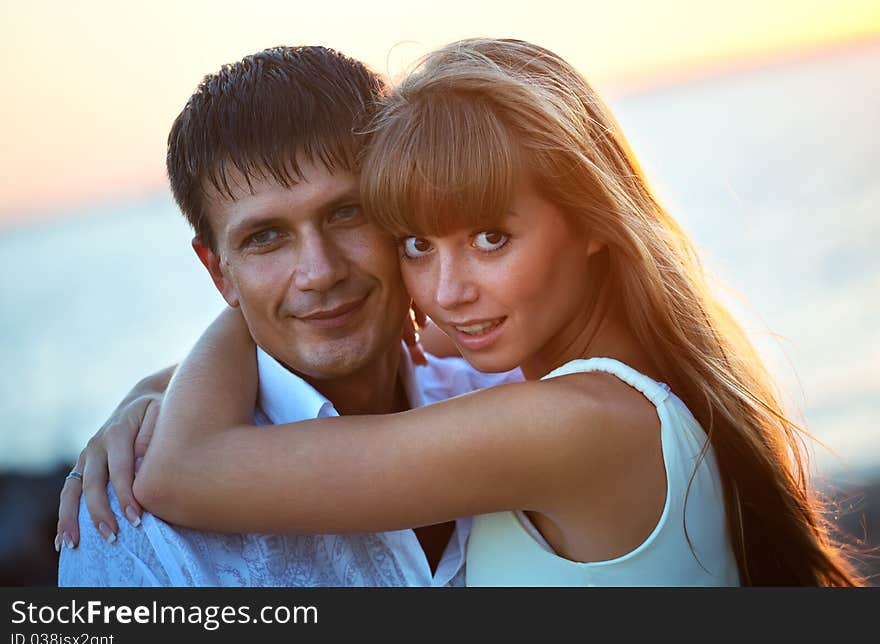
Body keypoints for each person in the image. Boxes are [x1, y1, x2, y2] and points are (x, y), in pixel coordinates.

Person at [66, 38, 862, 586]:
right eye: (419, 240)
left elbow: (187, 470)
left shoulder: (556, 419)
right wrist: (160, 384)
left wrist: (247, 313)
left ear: (591, 221)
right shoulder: (531, 365)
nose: (448, 290)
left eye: (491, 236)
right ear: (219, 268)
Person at [56, 45, 522, 587]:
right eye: (265, 238)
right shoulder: (138, 530)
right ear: (219, 273)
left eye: (347, 212)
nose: (319, 272)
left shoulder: (505, 391)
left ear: (402, 210)